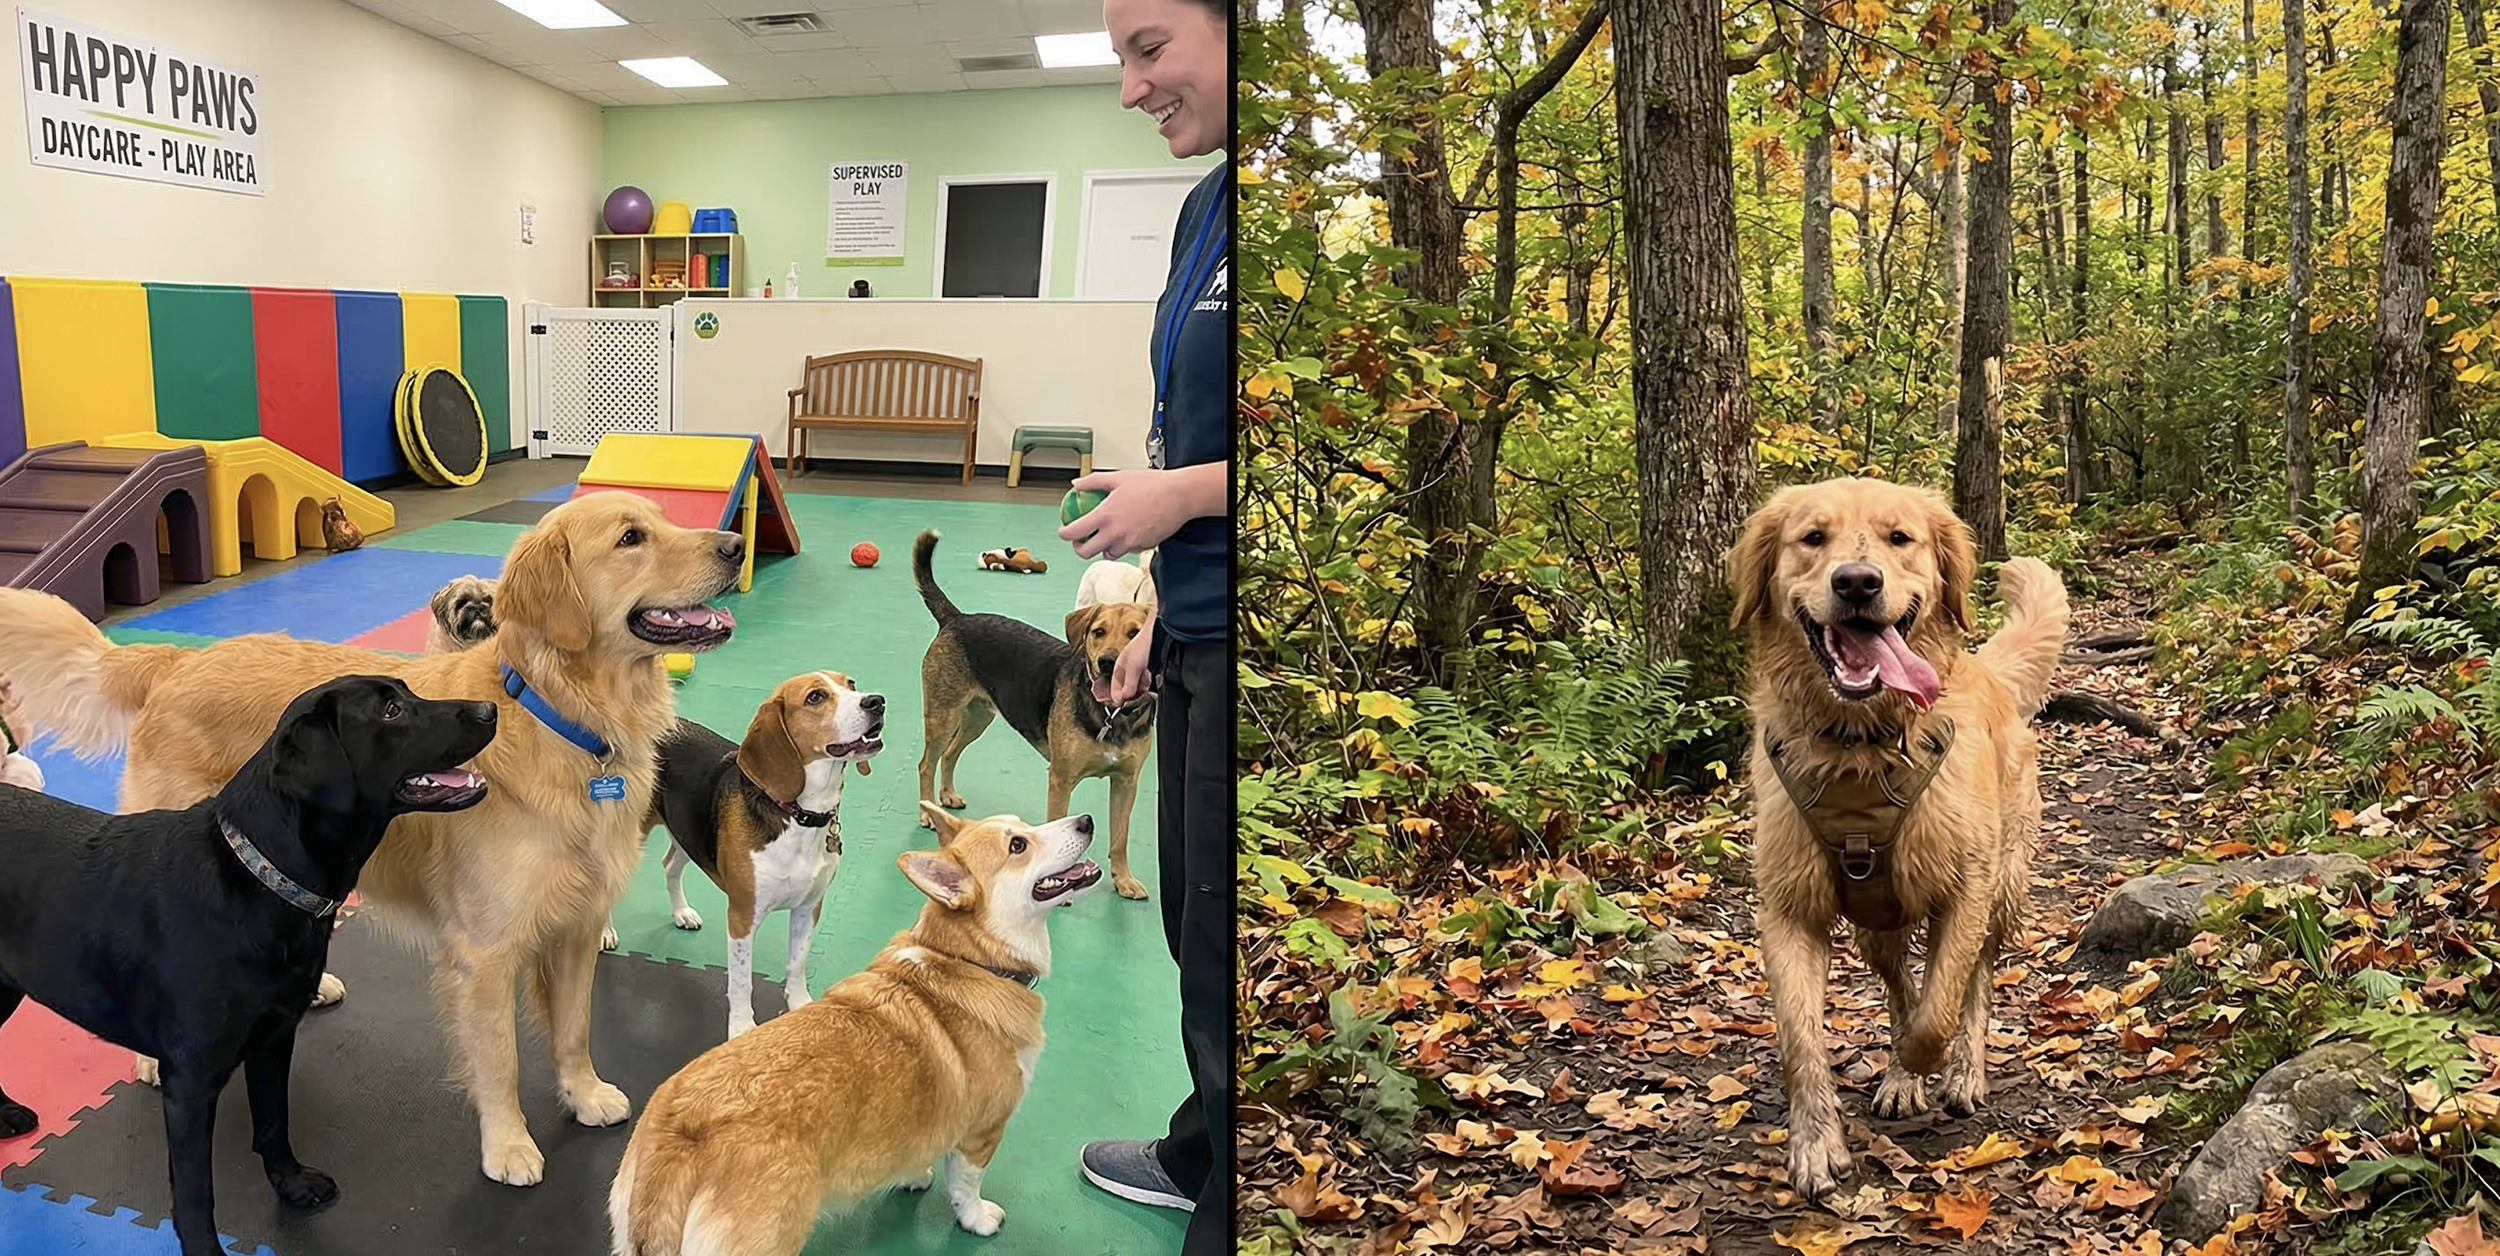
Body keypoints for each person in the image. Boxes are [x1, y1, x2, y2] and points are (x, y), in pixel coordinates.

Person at [1056, 0, 1228, 1249]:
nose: (1132, 86)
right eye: (1122, 55)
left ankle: (1229, 1202)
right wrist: (1160, 567)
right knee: (1184, 915)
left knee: (1223, 931)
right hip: (1195, 612)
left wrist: (1182, 497)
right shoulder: (1198, 207)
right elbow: (1191, 417)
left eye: (1150, 47)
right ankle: (1198, 1145)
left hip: (1247, 632)